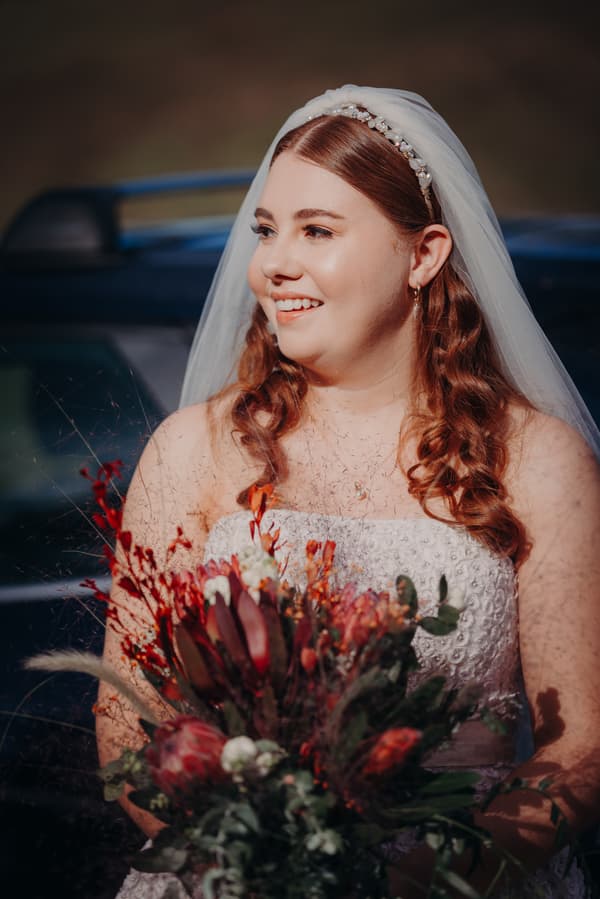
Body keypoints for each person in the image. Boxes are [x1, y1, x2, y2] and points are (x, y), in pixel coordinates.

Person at [97, 85, 600, 898]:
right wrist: (257, 864)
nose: (273, 264)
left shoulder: (536, 462)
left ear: (424, 253)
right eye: (266, 230)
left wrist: (428, 876)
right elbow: (129, 723)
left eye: (317, 231)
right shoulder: (192, 449)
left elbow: (581, 747)